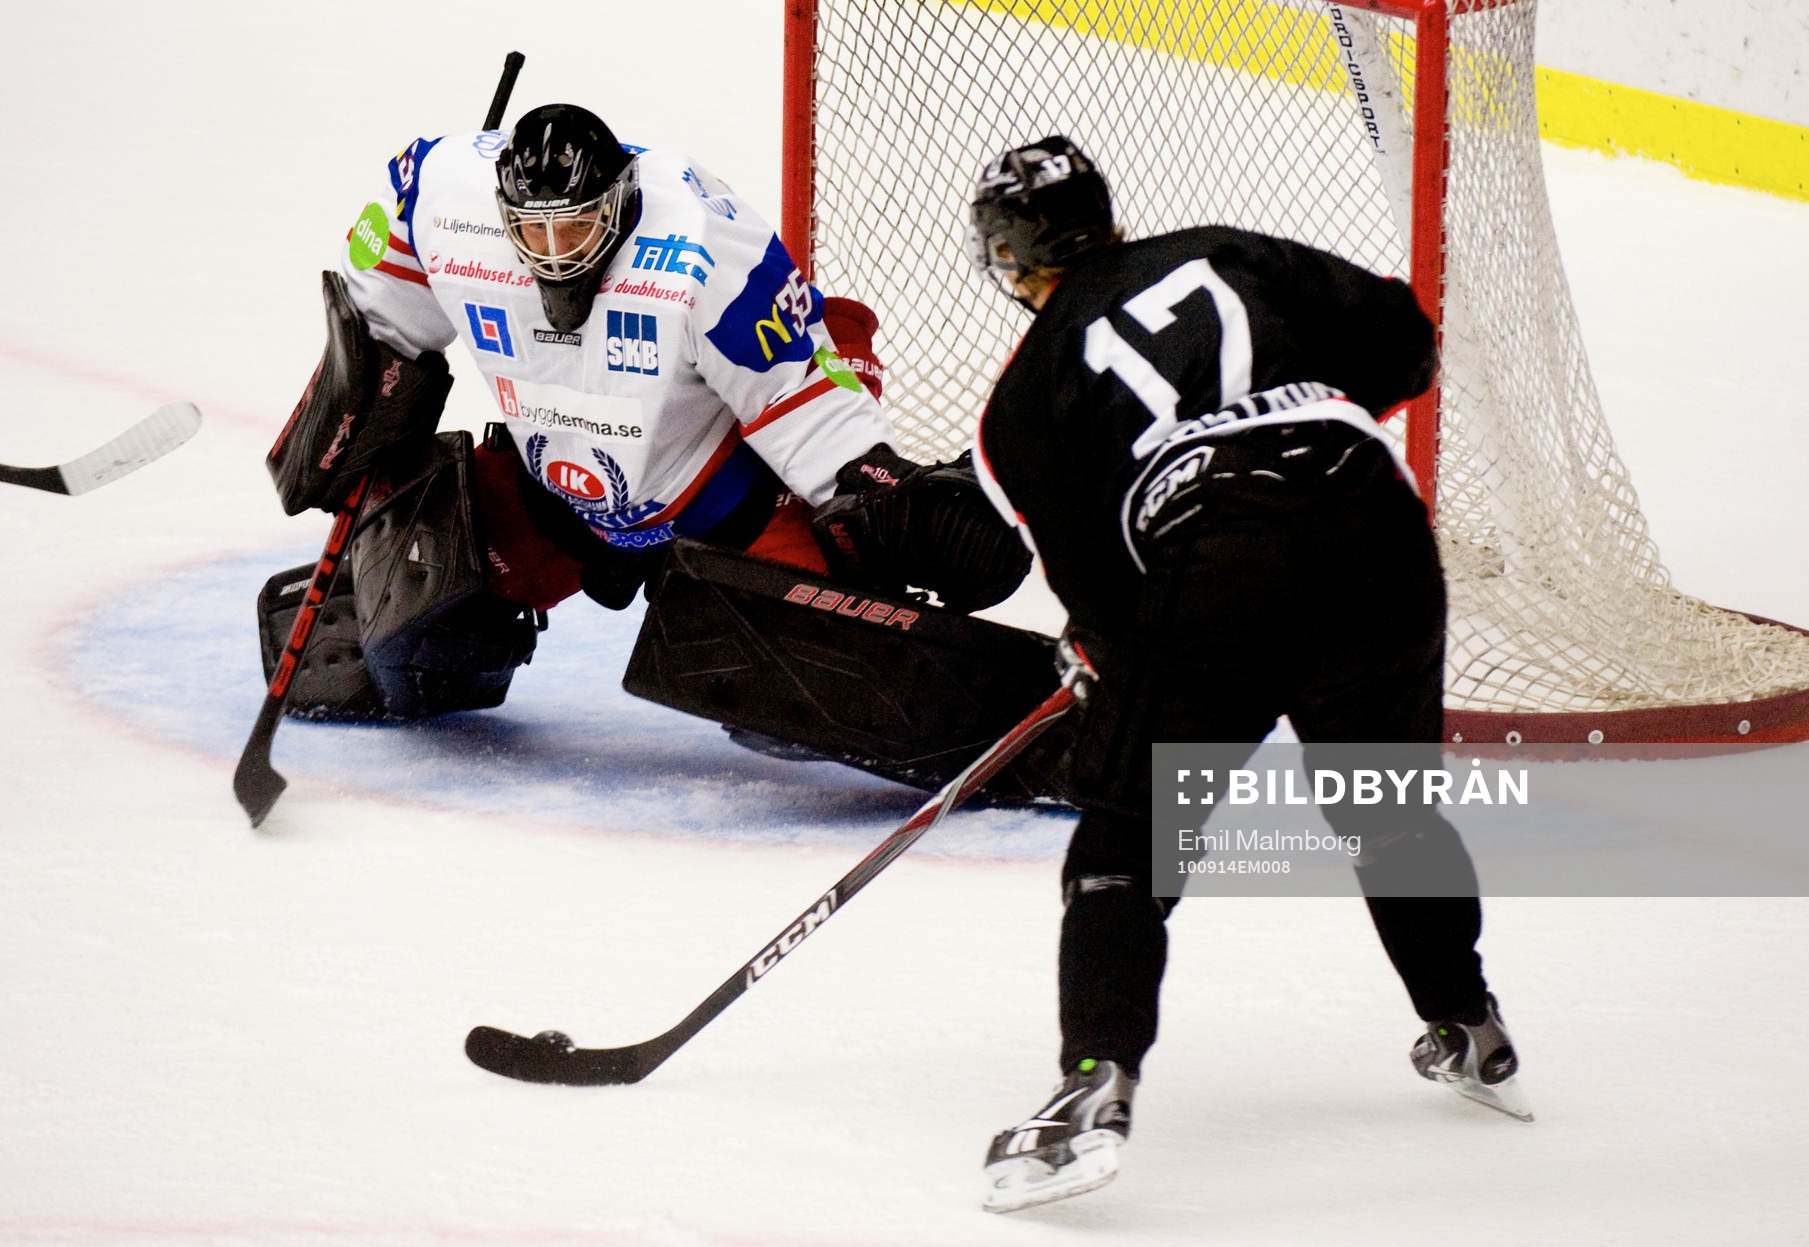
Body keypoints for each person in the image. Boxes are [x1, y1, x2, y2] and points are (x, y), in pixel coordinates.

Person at [964, 137, 1528, 1213]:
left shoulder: (1022, 398)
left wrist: (1111, 657)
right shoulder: (1226, 250)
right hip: (1375, 517)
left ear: (1008, 262)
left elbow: (1101, 593)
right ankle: (1469, 1021)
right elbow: (1407, 340)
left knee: (1129, 833)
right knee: (1385, 804)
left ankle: (1093, 1086)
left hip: (1218, 545)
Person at [260, 102, 1031, 763]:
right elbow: (380, 298)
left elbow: (809, 414)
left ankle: (1145, 772)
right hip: (558, 498)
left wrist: (883, 495)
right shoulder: (445, 192)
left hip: (727, 513)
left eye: (580, 226)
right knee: (416, 652)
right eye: (536, 231)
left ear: (621, 198)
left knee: (806, 686)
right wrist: (361, 400)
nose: (556, 251)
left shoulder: (702, 250)